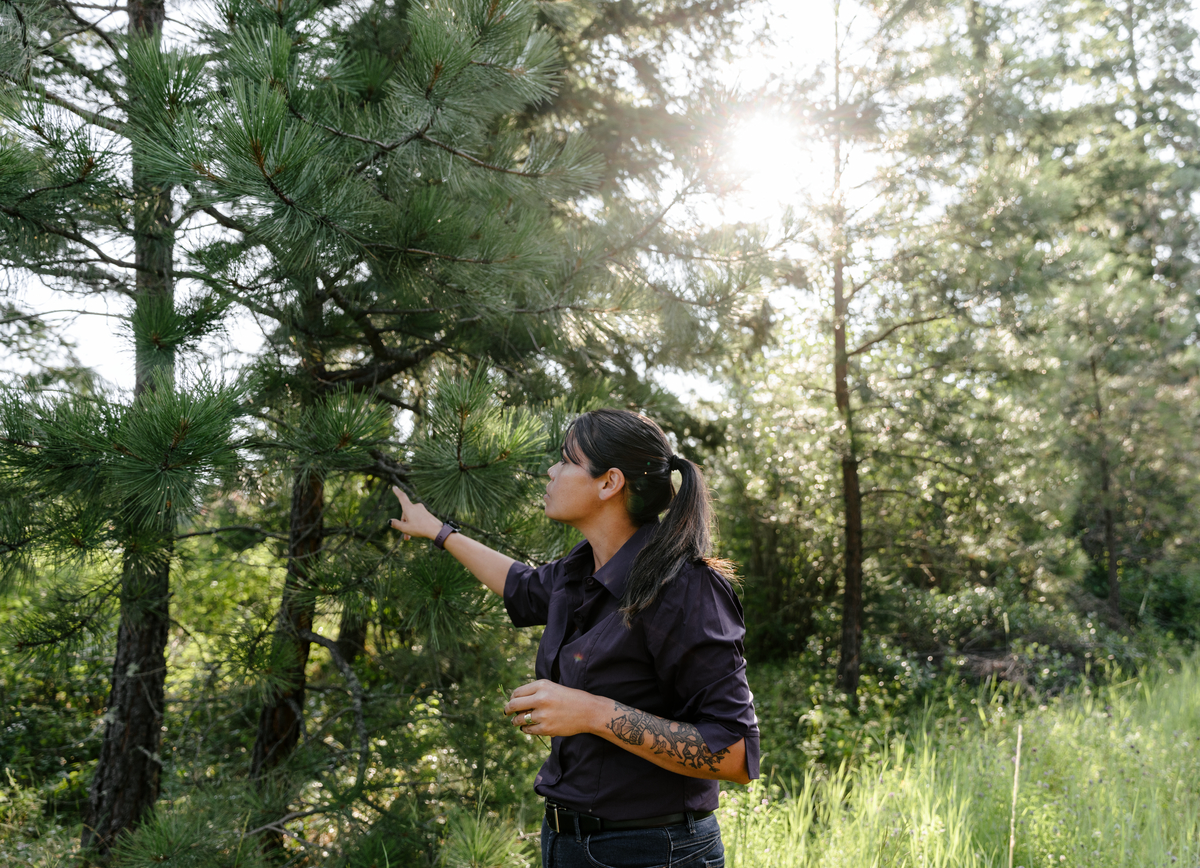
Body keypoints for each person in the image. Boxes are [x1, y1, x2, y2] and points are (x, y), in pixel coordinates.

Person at [390, 408, 758, 868]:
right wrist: (440, 532)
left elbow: (734, 754)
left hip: (653, 851)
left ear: (609, 483)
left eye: (566, 459)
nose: (551, 470)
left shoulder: (685, 588)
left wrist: (591, 712)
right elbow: (521, 585)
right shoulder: (580, 569)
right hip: (565, 842)